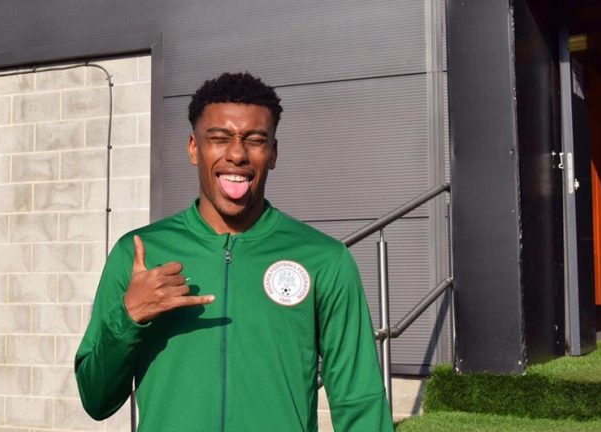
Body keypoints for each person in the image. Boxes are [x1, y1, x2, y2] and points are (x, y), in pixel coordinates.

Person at [75, 72, 394, 431]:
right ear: (194, 148)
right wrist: (129, 317)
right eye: (219, 138)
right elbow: (96, 400)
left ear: (273, 153)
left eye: (255, 140)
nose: (237, 154)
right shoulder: (139, 255)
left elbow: (360, 400)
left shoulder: (324, 259)